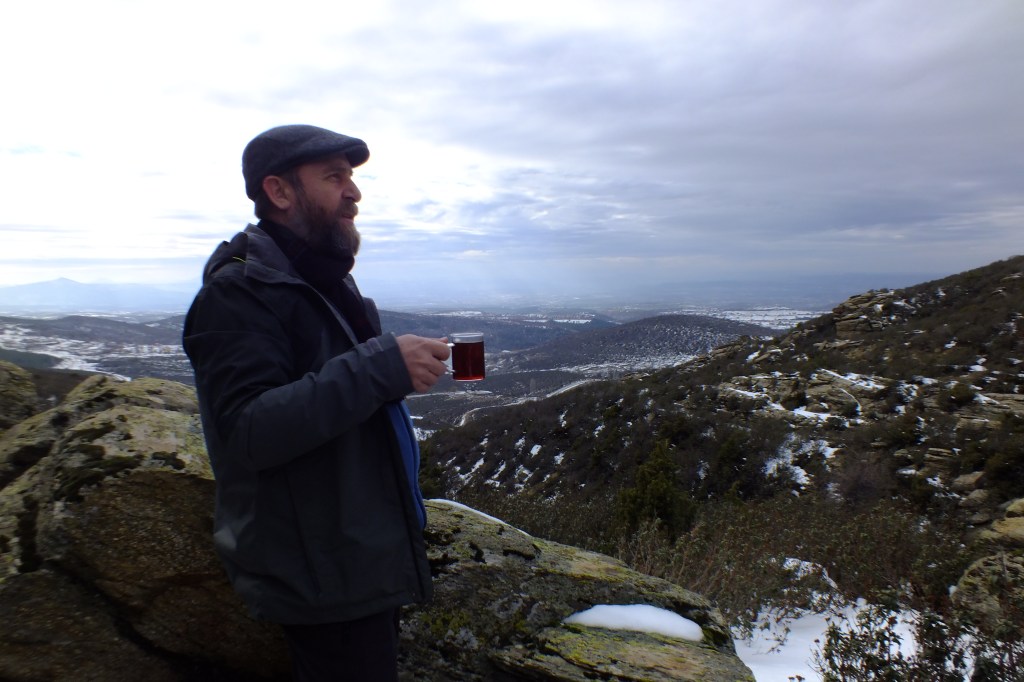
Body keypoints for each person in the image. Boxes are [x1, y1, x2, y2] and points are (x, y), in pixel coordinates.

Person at [182, 124, 450, 681]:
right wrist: (381, 368)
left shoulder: (321, 282)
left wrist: (392, 374)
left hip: (354, 556)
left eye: (350, 178)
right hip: (321, 572)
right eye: (334, 177)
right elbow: (247, 431)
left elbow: (333, 396)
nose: (354, 192)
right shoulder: (238, 294)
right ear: (279, 191)